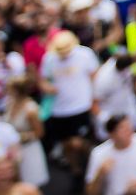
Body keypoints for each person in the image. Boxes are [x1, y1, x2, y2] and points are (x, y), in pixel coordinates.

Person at [39, 30, 98, 171]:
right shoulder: (49, 58)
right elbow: (42, 80)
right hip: (59, 109)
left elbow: (95, 75)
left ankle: (92, 160)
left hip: (81, 106)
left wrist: (93, 98)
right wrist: (47, 87)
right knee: (66, 144)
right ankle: (76, 170)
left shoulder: (85, 54)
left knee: (78, 142)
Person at [85, 114, 136, 195]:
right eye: (122, 128)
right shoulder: (98, 153)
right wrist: (100, 173)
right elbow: (90, 191)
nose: (128, 130)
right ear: (112, 134)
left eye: (129, 126)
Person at [1, 76, 48, 189]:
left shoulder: (30, 109)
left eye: (9, 89)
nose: (7, 91)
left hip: (28, 149)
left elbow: (39, 133)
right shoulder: (9, 103)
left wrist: (20, 137)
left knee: (30, 183)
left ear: (17, 91)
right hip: (12, 150)